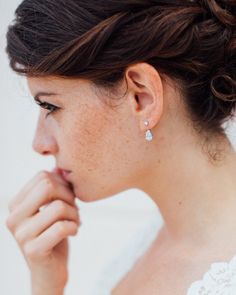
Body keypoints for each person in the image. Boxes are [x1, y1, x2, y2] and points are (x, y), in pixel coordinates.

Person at [4, 0, 236, 294]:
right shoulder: (149, 244)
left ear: (142, 97)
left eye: (51, 105)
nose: (40, 144)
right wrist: (47, 285)